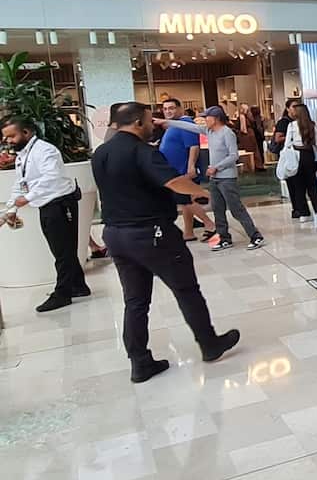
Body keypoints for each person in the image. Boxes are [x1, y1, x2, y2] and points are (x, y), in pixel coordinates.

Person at [91, 102, 239, 383]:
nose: (153, 125)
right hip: (152, 233)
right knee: (186, 289)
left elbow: (135, 187)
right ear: (137, 122)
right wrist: (202, 193)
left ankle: (139, 363)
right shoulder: (142, 151)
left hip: (115, 235)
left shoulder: (101, 153)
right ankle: (209, 344)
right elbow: (173, 182)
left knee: (135, 301)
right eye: (149, 120)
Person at [2, 116, 90, 312]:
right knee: (62, 249)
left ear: (26, 132)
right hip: (46, 205)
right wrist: (12, 208)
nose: (8, 141)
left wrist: (28, 198)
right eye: (6, 137)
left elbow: (52, 178)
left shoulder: (45, 150)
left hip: (60, 203)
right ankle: (78, 286)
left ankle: (62, 294)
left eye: (11, 136)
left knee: (63, 252)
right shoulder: (23, 155)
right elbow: (21, 183)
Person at [199, 106, 265, 251]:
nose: (205, 120)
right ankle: (224, 238)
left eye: (207, 117)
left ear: (216, 119)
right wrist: (166, 122)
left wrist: (217, 167)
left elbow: (233, 155)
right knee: (218, 209)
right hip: (214, 179)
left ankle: (255, 236)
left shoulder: (227, 133)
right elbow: (190, 127)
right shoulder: (209, 132)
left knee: (236, 208)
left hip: (226, 178)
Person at [157, 98, 215, 243]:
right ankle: (188, 232)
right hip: (175, 169)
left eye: (171, 108)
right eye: (165, 109)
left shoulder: (185, 124)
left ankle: (209, 224)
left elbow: (193, 146)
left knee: (185, 199)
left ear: (180, 108)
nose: (168, 111)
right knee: (185, 201)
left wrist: (191, 166)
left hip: (182, 170)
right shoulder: (173, 125)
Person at [284, 101, 317, 222]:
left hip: (296, 155)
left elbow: (287, 144)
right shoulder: (313, 125)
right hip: (309, 155)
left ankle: (304, 213)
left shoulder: (292, 126)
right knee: (312, 184)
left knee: (298, 185)